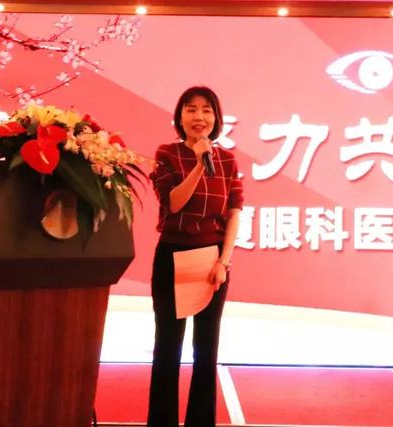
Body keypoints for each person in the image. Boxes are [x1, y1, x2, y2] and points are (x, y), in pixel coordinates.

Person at [147, 86, 243, 427]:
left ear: (216, 117)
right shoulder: (167, 154)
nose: (198, 117)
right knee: (167, 348)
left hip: (212, 261)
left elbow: (234, 213)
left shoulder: (228, 160)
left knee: (206, 350)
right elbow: (173, 203)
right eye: (191, 109)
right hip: (172, 257)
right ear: (180, 116)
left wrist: (224, 262)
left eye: (206, 110)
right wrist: (200, 165)